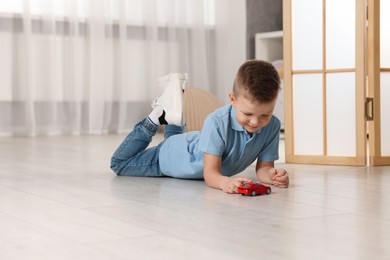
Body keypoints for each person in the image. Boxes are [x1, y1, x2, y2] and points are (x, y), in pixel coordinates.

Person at [110, 60, 289, 194]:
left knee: (175, 138)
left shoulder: (272, 126)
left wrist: (273, 176)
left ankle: (173, 109)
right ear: (232, 99)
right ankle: (155, 117)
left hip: (188, 142)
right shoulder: (217, 122)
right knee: (119, 164)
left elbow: (263, 169)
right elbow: (210, 173)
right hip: (171, 159)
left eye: (265, 114)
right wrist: (224, 183)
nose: (256, 122)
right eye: (248, 114)